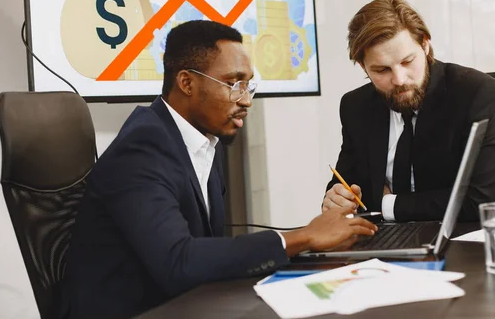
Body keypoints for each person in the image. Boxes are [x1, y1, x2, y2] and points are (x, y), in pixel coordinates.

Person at [59, 20, 377, 318]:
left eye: (248, 86)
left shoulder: (205, 137)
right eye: (232, 83)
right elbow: (179, 262)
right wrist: (303, 237)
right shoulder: (142, 148)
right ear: (186, 83)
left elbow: (204, 249)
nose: (246, 100)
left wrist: (309, 242)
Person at [322, 0, 495, 223]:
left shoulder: (476, 94)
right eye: (382, 70)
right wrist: (335, 200)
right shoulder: (356, 107)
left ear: (425, 44)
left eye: (407, 61)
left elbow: (483, 201)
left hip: (457, 244)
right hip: (380, 246)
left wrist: (387, 204)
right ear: (363, 67)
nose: (399, 79)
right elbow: (347, 185)